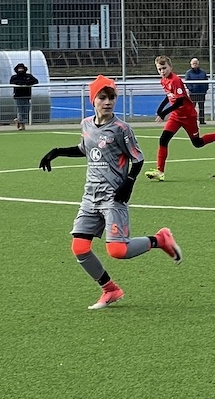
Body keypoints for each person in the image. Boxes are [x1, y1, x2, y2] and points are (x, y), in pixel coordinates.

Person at [38, 75, 182, 310]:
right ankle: (110, 289)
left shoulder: (121, 129)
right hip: (90, 196)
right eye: (102, 97)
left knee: (118, 250)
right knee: (79, 247)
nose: (107, 102)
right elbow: (86, 149)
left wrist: (129, 183)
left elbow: (138, 158)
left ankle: (160, 240)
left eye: (111, 97)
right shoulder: (86, 124)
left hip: (113, 196)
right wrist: (57, 152)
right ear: (93, 100)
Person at [144, 55, 215, 181]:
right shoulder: (163, 80)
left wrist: (164, 113)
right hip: (176, 116)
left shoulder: (175, 80)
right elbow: (169, 95)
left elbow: (179, 102)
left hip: (188, 116)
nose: (162, 71)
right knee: (163, 139)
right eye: (159, 69)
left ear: (170, 67)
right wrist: (160, 110)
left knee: (197, 143)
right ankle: (160, 171)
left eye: (164, 68)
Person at [10, 63, 39, 130]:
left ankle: (18, 120)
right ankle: (22, 125)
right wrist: (22, 83)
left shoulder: (28, 76)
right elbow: (13, 82)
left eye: (22, 68)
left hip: (27, 96)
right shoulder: (14, 77)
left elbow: (35, 81)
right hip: (18, 96)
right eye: (19, 68)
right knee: (20, 110)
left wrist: (28, 82)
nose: (21, 70)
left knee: (26, 110)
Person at [184, 57, 210, 124]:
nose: (195, 65)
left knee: (201, 107)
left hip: (201, 92)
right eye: (193, 63)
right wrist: (191, 89)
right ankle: (191, 120)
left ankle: (202, 121)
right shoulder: (188, 73)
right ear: (191, 64)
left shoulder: (203, 73)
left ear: (198, 64)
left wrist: (205, 89)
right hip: (193, 93)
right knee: (192, 107)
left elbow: (206, 82)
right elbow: (187, 82)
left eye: (196, 63)